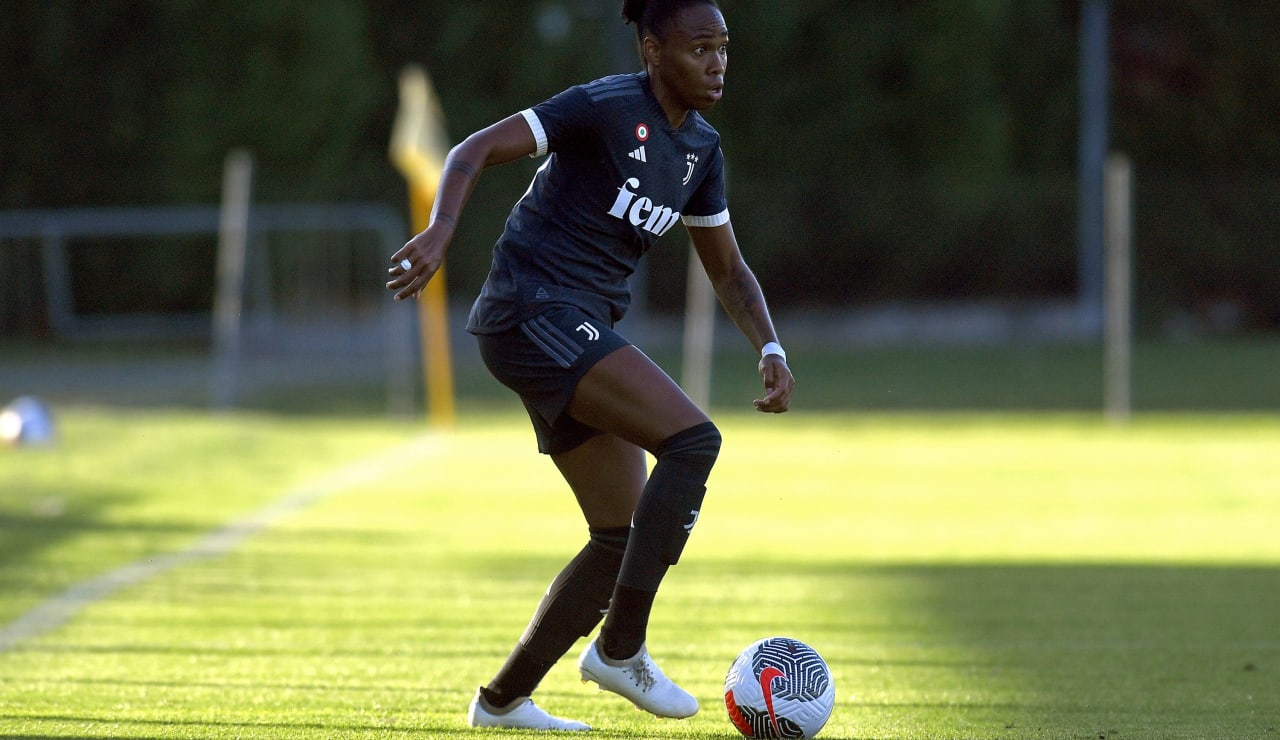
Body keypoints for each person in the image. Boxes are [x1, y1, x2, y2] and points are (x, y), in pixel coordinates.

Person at [386, 0, 794, 731]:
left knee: (619, 531)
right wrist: (441, 231)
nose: (718, 61)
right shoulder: (603, 106)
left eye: (724, 47)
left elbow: (728, 270)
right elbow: (470, 150)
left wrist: (769, 346)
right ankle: (620, 648)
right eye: (700, 47)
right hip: (532, 309)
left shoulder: (701, 148)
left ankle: (501, 701)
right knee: (693, 439)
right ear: (651, 51)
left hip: (567, 326)